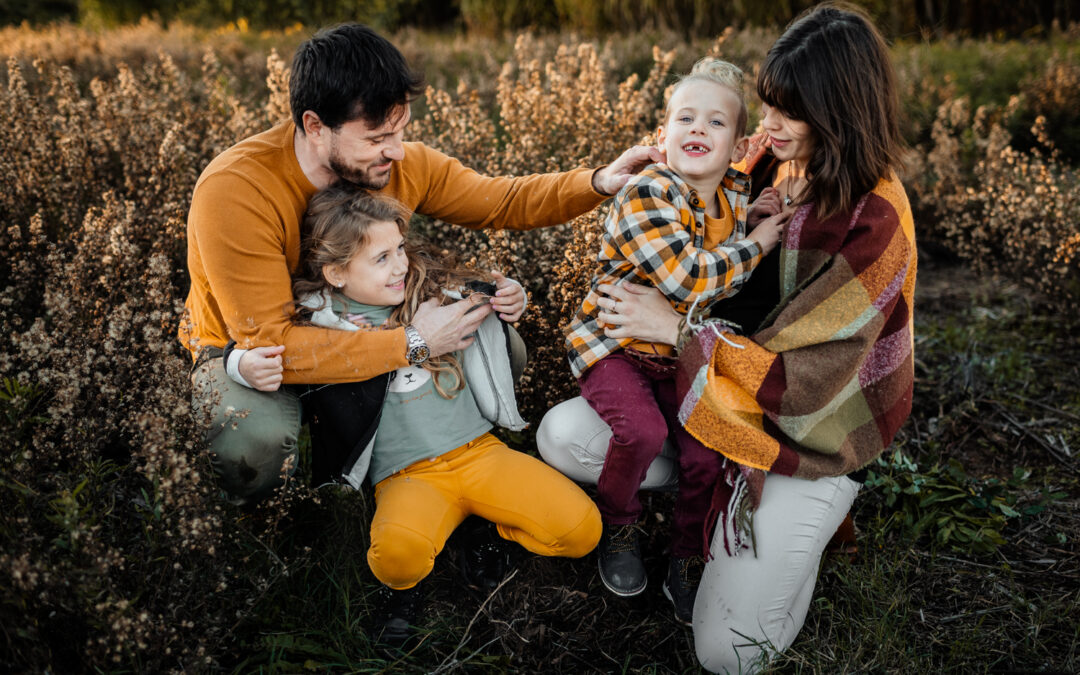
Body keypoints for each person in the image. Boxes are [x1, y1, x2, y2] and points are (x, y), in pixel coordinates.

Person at [538, 4, 915, 672]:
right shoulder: (774, 161)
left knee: (726, 654)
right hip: (720, 383)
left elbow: (814, 380)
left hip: (812, 428)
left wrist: (675, 328)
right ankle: (700, 484)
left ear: (838, 116)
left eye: (785, 112)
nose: (764, 127)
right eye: (766, 107)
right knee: (563, 435)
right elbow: (692, 191)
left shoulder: (877, 220)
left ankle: (811, 517)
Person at [180, 23, 659, 505]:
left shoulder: (394, 163)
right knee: (253, 443)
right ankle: (269, 516)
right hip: (248, 354)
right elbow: (271, 341)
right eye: (376, 137)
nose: (397, 150)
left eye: (401, 130)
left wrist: (597, 181)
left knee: (503, 348)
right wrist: (414, 344)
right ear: (314, 126)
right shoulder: (236, 190)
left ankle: (427, 456)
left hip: (368, 324)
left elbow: (499, 200)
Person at [229, 186, 602, 643]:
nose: (401, 264)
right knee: (397, 559)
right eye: (381, 258)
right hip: (405, 475)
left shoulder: (432, 293)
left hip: (480, 453)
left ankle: (482, 527)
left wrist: (513, 297)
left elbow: (491, 289)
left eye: (400, 248)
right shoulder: (318, 324)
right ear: (337, 273)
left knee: (582, 530)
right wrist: (240, 365)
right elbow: (259, 346)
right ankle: (409, 586)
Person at [561, 58, 789, 622]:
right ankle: (620, 523)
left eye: (716, 123)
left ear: (739, 146)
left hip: (677, 353)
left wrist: (752, 217)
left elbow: (726, 235)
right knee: (642, 430)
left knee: (707, 450)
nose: (697, 130)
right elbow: (690, 281)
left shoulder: (734, 192)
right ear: (661, 137)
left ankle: (687, 554)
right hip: (617, 347)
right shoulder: (647, 192)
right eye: (685, 118)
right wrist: (757, 244)